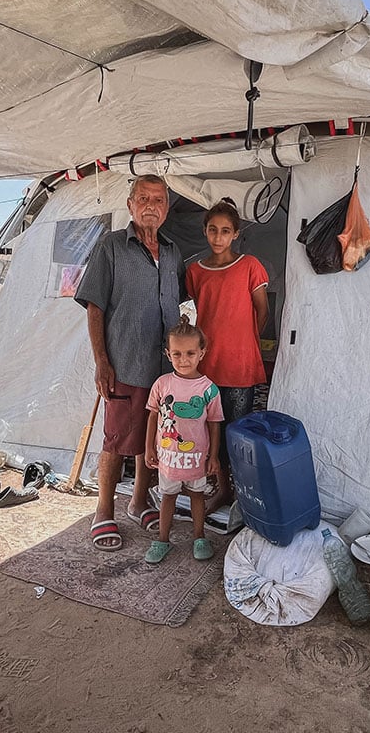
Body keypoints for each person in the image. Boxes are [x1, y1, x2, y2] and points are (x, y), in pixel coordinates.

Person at [74, 175, 185, 551]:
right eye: (143, 198)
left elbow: (177, 304)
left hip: (164, 369)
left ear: (166, 208)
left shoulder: (173, 253)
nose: (150, 205)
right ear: (130, 204)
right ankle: (104, 511)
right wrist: (101, 362)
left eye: (158, 199)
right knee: (117, 439)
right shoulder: (111, 247)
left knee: (152, 439)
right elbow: (94, 307)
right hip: (124, 362)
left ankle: (139, 501)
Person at [184, 199, 269, 513]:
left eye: (225, 231)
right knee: (211, 432)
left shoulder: (250, 266)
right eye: (212, 230)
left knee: (239, 432)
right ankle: (223, 489)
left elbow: (262, 310)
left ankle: (246, 493)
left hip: (240, 365)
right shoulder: (195, 271)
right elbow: (196, 312)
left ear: (235, 234)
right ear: (205, 232)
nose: (218, 237)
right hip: (207, 365)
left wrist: (244, 342)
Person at [143, 317, 224, 563]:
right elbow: (153, 417)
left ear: (202, 352)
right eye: (177, 354)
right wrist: (148, 448)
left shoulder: (209, 389)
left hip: (196, 457)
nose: (183, 359)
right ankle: (163, 540)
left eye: (190, 353)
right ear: (168, 354)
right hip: (168, 457)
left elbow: (214, 424)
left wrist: (213, 456)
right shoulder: (162, 384)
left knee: (197, 495)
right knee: (167, 496)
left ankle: (199, 536)